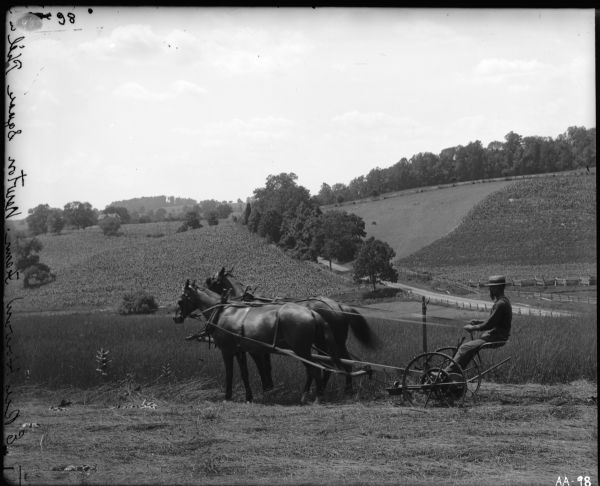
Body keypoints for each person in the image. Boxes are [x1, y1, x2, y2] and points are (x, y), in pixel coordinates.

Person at [447, 275, 512, 372]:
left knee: (464, 347)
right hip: (498, 336)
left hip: (496, 337)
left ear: (496, 288)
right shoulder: (504, 301)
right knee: (469, 349)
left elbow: (489, 325)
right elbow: (494, 321)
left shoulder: (500, 304)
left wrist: (473, 328)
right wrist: (477, 322)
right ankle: (456, 373)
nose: (490, 290)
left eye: (491, 288)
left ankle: (447, 373)